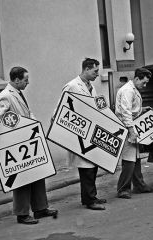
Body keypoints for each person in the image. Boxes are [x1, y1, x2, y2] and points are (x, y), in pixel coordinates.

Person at [0, 67, 58, 224]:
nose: (28, 82)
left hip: (28, 141)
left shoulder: (18, 94)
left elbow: (27, 113)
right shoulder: (5, 96)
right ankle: (22, 213)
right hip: (16, 144)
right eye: (25, 80)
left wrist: (36, 129)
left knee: (37, 173)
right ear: (16, 80)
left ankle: (40, 209)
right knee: (22, 178)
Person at [58, 58, 106, 210]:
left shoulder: (91, 87)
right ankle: (89, 200)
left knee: (93, 166)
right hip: (80, 132)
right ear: (86, 69)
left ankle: (92, 196)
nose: (97, 75)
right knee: (86, 168)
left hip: (91, 132)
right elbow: (61, 107)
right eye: (95, 71)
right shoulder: (72, 86)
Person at [115, 68, 153, 199]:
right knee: (129, 160)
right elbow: (125, 112)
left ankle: (139, 185)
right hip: (126, 127)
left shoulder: (133, 89)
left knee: (136, 158)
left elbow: (132, 109)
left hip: (131, 125)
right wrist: (132, 131)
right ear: (137, 78)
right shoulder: (128, 90)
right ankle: (123, 189)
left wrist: (142, 110)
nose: (145, 86)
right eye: (143, 82)